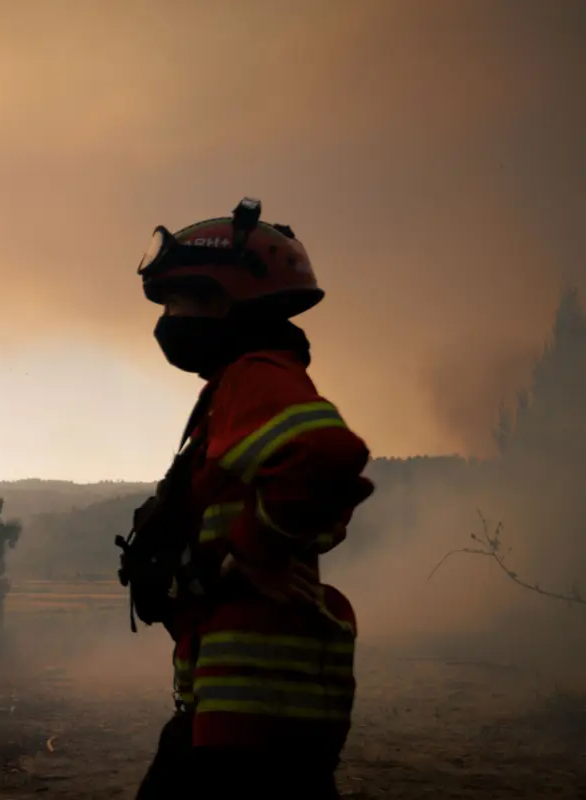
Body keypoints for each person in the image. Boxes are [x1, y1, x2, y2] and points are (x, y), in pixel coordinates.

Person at [125, 198, 376, 799]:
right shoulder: (240, 383)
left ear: (223, 299)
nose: (167, 319)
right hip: (248, 700)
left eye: (176, 300)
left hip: (254, 706)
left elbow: (326, 454)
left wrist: (255, 552)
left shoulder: (256, 375)